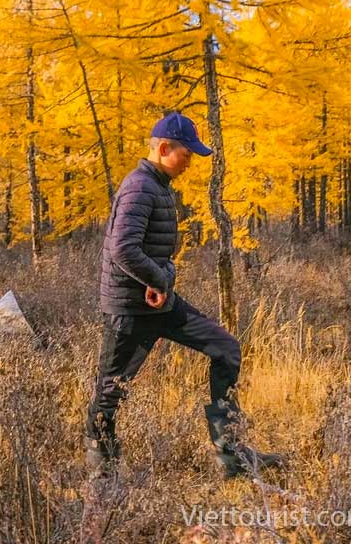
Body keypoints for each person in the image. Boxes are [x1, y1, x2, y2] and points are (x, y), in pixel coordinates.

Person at [84, 111, 283, 479]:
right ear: (163, 148)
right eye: (186, 154)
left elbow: (151, 252)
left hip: (158, 304)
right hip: (129, 309)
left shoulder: (156, 186)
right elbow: (123, 249)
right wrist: (159, 280)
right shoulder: (140, 187)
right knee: (110, 390)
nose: (190, 161)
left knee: (225, 348)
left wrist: (163, 280)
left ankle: (232, 454)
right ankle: (103, 475)